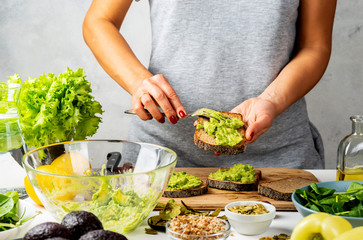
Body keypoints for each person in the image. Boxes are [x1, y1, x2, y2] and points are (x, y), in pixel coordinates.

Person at [82, 0, 337, 168]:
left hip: (279, 159)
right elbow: (100, 21)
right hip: (161, 158)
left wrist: (271, 101)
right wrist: (138, 81)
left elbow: (314, 46)